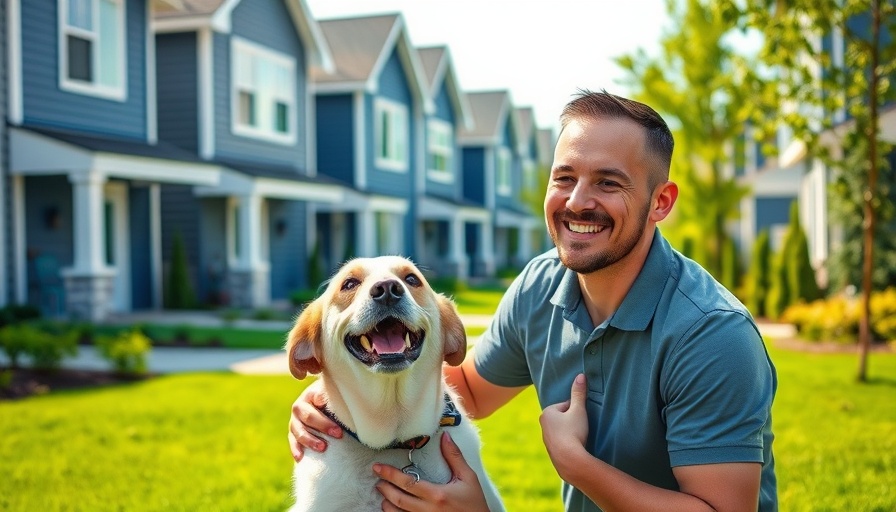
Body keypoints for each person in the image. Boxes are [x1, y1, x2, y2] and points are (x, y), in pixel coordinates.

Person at [288, 89, 777, 512]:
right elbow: (470, 392)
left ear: (661, 202)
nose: (578, 201)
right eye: (564, 178)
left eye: (608, 182)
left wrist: (576, 465)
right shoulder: (543, 285)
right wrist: (332, 400)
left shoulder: (712, 334)